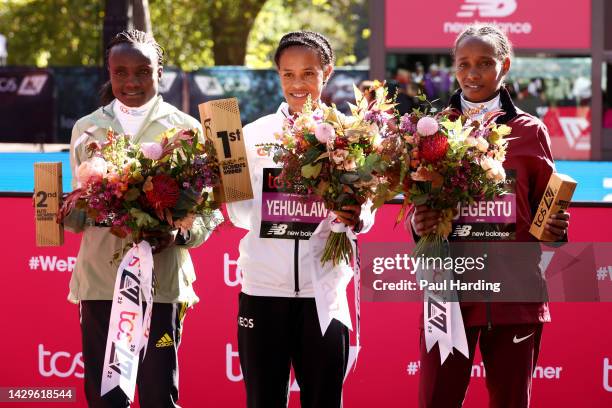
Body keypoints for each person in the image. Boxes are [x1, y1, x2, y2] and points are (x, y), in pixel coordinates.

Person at [410, 24, 570, 408]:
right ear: (454, 68)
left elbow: (549, 217)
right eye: (464, 64)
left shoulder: (530, 131)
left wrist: (556, 230)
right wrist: (420, 227)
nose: (473, 73)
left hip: (516, 296)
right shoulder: (431, 128)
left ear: (505, 65)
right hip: (447, 294)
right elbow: (419, 208)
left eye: (484, 63)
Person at [63, 29, 221, 407]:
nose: (130, 82)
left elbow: (209, 213)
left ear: (160, 72)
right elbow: (76, 214)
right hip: (100, 282)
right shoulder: (86, 129)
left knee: (158, 396)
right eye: (120, 72)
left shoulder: (187, 128)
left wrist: (178, 235)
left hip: (163, 284)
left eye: (142, 71)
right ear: (109, 72)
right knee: (106, 399)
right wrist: (71, 211)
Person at [226, 31, 375, 408]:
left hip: (323, 293)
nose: (298, 84)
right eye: (288, 74)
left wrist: (355, 214)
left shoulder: (350, 134)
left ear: (327, 72)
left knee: (324, 400)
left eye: (308, 73)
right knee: (263, 400)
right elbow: (240, 215)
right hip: (262, 292)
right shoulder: (254, 134)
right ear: (277, 76)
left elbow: (367, 209)